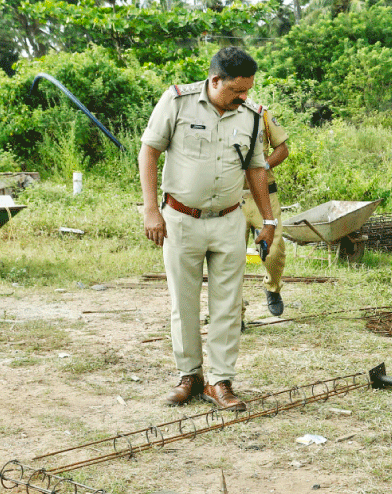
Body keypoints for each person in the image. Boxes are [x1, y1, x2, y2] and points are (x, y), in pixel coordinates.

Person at [138, 47, 277, 411]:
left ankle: (220, 381)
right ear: (215, 80)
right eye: (236, 90)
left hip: (229, 221)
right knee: (183, 303)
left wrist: (269, 220)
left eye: (247, 90)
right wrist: (151, 210)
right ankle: (190, 377)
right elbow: (149, 151)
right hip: (180, 220)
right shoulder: (177, 102)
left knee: (228, 305)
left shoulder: (251, 116)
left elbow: (256, 169)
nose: (243, 97)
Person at [242, 106, 289, 318]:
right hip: (232, 197)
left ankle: (273, 287)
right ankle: (236, 313)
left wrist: (263, 167)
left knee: (274, 251)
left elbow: (283, 149)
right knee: (229, 259)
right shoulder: (215, 115)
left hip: (265, 194)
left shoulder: (261, 114)